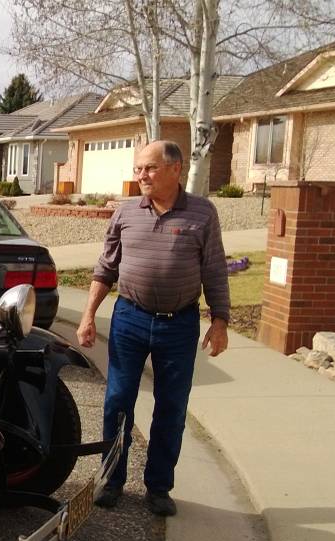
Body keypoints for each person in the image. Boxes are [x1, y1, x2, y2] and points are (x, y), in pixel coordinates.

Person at [76, 140, 230, 517]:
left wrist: (221, 320)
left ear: (175, 169)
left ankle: (158, 487)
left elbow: (214, 269)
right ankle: (111, 479)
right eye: (138, 169)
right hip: (129, 319)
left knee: (171, 408)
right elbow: (105, 269)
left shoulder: (202, 214)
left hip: (179, 325)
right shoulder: (126, 213)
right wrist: (87, 315)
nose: (140, 176)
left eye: (149, 168)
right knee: (117, 402)